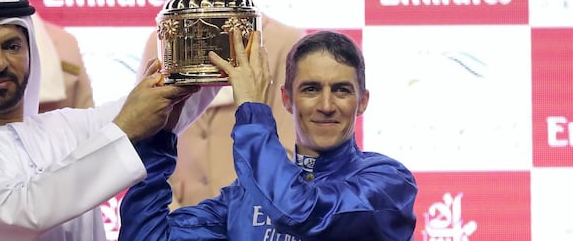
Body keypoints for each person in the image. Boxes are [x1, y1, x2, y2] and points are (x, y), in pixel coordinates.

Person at [0, 0, 224, 241]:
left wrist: (212, 4)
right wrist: (124, 130)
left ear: (30, 53)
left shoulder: (65, 127)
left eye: (12, 46)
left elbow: (172, 105)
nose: (0, 62)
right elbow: (24, 210)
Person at [119, 29, 418, 240]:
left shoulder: (389, 182)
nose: (327, 106)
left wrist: (252, 110)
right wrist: (159, 136)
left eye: (341, 90)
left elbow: (302, 211)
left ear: (362, 102)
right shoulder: (245, 195)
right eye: (311, 89)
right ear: (287, 99)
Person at [137, 0, 305, 207]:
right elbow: (147, 137)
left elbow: (290, 148)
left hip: (256, 216)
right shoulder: (163, 39)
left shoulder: (284, 42)